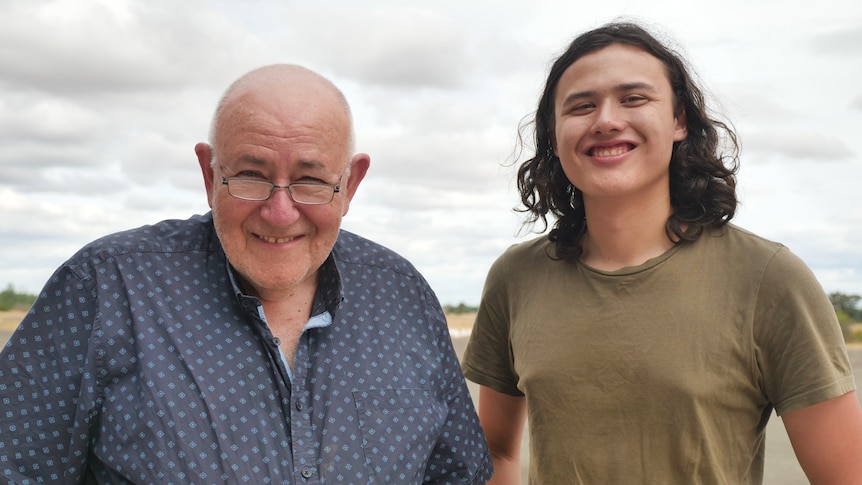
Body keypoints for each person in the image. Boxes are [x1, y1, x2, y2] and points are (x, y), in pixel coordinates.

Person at [0, 64, 492, 484]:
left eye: (311, 180)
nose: (280, 213)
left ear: (351, 183)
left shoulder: (403, 297)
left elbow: (459, 474)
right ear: (210, 174)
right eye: (251, 176)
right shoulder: (105, 287)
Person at [461, 21, 862, 484]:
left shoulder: (768, 278)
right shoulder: (516, 277)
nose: (606, 120)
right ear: (554, 135)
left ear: (679, 121)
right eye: (582, 106)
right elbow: (496, 451)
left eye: (633, 99)